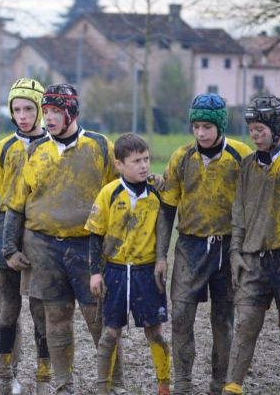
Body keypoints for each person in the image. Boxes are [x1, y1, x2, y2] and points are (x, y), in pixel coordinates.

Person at [2, 83, 120, 394]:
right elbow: (16, 202)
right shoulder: (36, 149)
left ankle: (112, 383)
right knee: (55, 316)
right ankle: (64, 384)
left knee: (98, 318)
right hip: (44, 246)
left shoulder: (100, 147)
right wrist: (10, 248)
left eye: (56, 111)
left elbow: (119, 197)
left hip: (87, 245)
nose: (50, 118)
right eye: (48, 111)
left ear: (70, 112)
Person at [156, 93, 252, 394]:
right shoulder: (181, 157)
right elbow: (168, 207)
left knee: (223, 318)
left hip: (227, 247)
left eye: (207, 127)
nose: (201, 133)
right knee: (181, 315)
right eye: (196, 126)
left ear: (220, 126)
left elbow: (252, 204)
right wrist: (161, 254)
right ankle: (183, 382)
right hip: (189, 246)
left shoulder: (241, 156)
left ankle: (217, 382)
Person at [222, 96, 280, 395]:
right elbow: (239, 211)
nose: (254, 135)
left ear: (275, 126)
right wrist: (235, 251)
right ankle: (233, 386)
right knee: (246, 323)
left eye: (259, 128)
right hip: (253, 260)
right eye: (250, 129)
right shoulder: (248, 164)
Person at [0, 78, 50, 394]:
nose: (22, 115)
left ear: (40, 109)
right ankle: (5, 376)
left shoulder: (53, 147)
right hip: (4, 235)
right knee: (8, 311)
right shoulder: (3, 147)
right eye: (16, 109)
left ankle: (45, 376)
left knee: (40, 311)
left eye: (28, 108)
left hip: (39, 235)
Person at [87, 133, 170, 395]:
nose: (144, 165)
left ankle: (164, 383)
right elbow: (95, 235)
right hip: (115, 272)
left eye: (146, 159)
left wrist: (161, 258)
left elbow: (166, 228)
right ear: (120, 165)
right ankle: (104, 387)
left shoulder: (157, 192)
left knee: (155, 332)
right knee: (110, 333)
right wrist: (94, 274)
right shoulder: (108, 193)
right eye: (136, 161)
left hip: (147, 273)